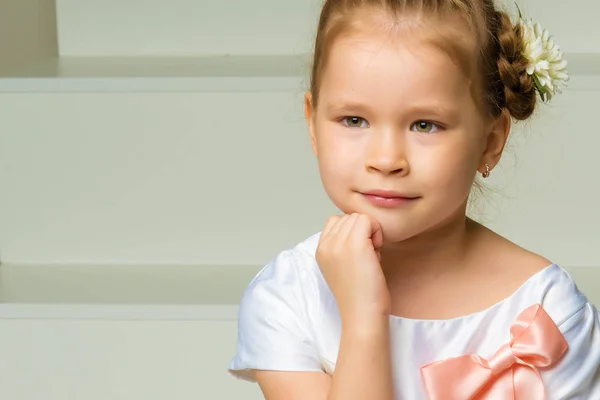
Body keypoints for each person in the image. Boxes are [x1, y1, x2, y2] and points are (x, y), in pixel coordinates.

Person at [228, 0, 599, 398]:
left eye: (425, 125)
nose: (386, 160)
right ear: (313, 123)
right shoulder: (289, 295)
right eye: (354, 120)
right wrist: (363, 317)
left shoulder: (547, 311)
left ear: (491, 142)